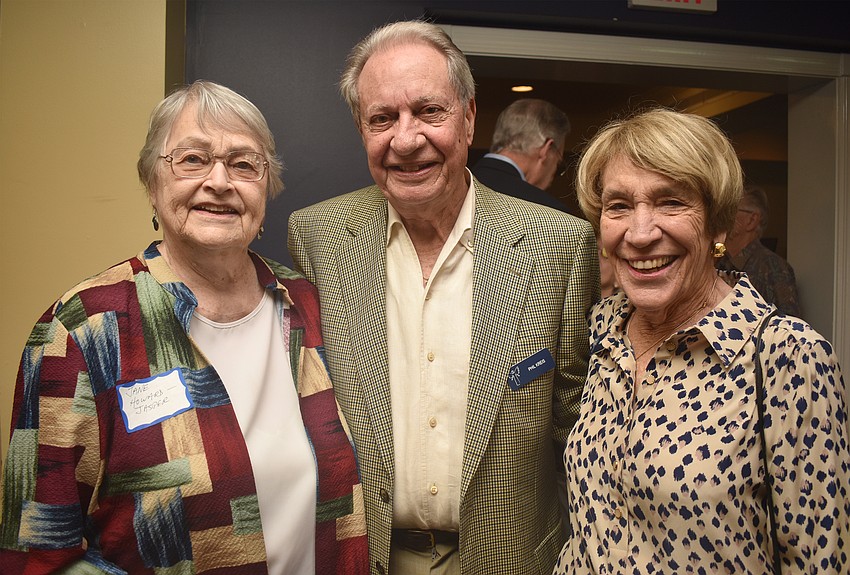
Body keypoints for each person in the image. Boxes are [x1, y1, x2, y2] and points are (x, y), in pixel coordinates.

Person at [0, 81, 368, 574]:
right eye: (193, 159)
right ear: (153, 184)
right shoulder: (84, 330)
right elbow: (39, 552)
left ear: (266, 190)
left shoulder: (306, 305)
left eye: (243, 164)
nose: (220, 181)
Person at [288, 20, 600, 575]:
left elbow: (576, 428)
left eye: (429, 111)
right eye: (382, 118)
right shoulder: (318, 239)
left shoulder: (559, 245)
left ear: (469, 116)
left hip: (511, 560)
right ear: (361, 129)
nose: (406, 140)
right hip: (365, 558)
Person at [553, 107, 850, 575]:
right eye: (619, 206)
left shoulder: (786, 356)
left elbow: (819, 559)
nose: (641, 232)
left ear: (718, 225)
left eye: (671, 202)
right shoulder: (600, 330)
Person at [471, 98, 571, 211]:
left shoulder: (457, 187)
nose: (552, 179)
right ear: (546, 150)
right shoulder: (550, 212)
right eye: (559, 166)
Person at [716, 184, 801, 316]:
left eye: (731, 210)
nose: (723, 216)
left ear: (752, 220)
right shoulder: (717, 262)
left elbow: (789, 328)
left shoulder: (774, 268)